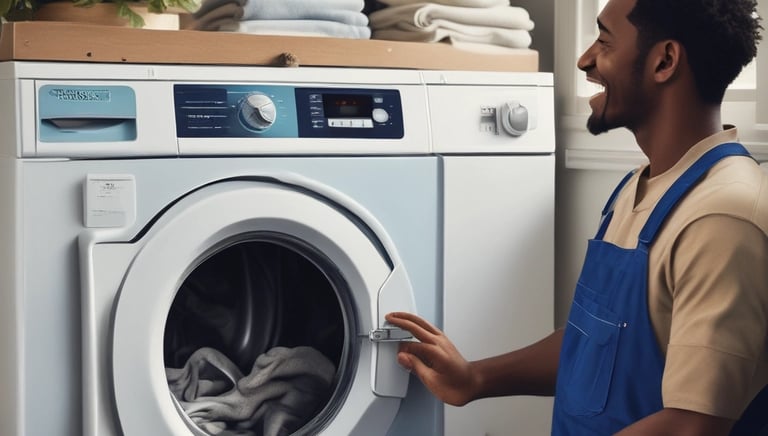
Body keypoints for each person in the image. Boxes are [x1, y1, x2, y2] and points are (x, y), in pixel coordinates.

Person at [384, 0, 768, 434]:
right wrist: (475, 378)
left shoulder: (723, 217)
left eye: (605, 41)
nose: (585, 59)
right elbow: (597, 343)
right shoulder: (641, 185)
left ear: (664, 62)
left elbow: (691, 425)